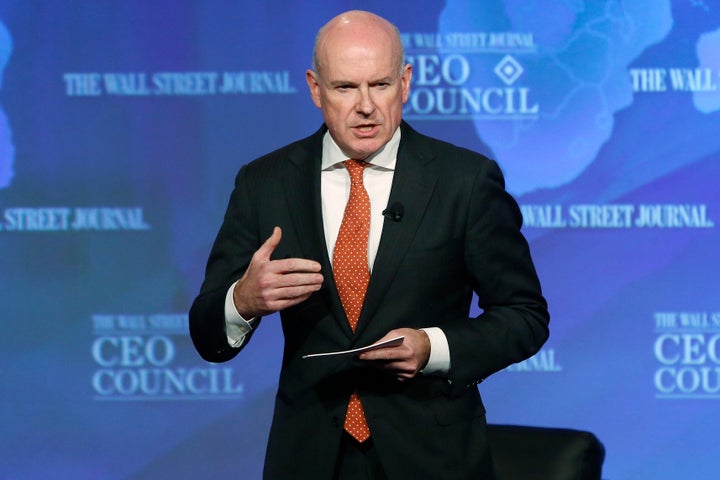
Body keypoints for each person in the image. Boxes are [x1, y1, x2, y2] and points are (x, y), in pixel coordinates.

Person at [189, 10, 549, 480]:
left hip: (432, 458)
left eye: (380, 85)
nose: (366, 106)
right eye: (345, 88)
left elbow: (524, 315)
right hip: (310, 457)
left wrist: (433, 347)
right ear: (315, 89)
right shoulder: (265, 183)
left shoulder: (465, 181)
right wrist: (243, 300)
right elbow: (206, 332)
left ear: (405, 82)